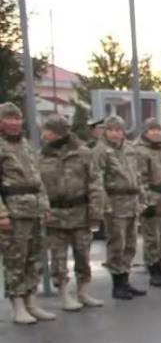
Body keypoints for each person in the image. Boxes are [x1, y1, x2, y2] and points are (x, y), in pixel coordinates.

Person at [38, 114, 106, 311]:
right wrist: (43, 210)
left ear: (58, 132)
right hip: (55, 214)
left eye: (47, 131)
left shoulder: (83, 153)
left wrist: (96, 212)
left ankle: (83, 292)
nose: (44, 135)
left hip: (80, 212)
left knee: (83, 255)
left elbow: (95, 183)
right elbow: (38, 186)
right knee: (58, 258)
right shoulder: (41, 155)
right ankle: (64, 295)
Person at [0, 102, 54, 324]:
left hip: (34, 210)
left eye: (17, 118)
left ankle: (31, 301)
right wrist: (1, 214)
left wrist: (45, 206)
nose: (14, 122)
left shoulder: (27, 145)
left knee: (34, 258)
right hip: (14, 213)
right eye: (8, 118)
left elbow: (38, 179)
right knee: (15, 260)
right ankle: (18, 305)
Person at [93, 115, 147, 300]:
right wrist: (103, 204)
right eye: (111, 130)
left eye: (118, 130)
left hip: (131, 201)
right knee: (117, 243)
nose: (115, 134)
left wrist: (141, 198)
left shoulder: (129, 149)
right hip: (114, 202)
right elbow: (97, 179)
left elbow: (137, 175)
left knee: (130, 244)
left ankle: (125, 279)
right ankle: (117, 283)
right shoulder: (101, 151)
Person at [132, 117, 161, 286]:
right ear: (145, 132)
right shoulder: (140, 151)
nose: (156, 133)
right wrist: (146, 202)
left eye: (158, 130)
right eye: (152, 130)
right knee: (152, 237)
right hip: (152, 196)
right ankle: (153, 269)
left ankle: (160, 265)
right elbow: (140, 178)